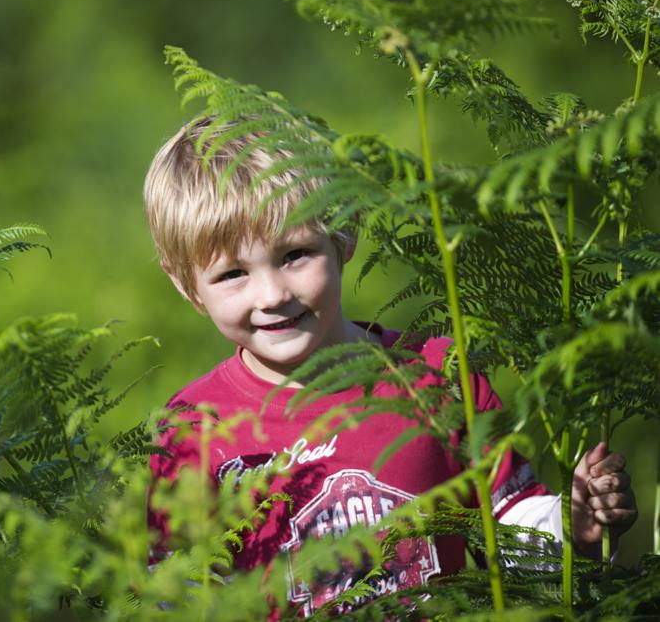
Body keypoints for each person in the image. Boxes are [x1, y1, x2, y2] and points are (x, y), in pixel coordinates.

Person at [143, 117, 638, 615]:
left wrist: (575, 525)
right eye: (232, 274)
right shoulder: (193, 429)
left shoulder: (438, 373)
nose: (272, 295)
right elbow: (178, 598)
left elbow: (512, 535)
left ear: (344, 234)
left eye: (295, 254)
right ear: (186, 283)